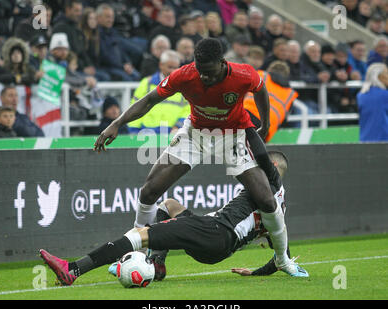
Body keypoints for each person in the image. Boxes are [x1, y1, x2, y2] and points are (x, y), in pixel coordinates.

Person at [94, 38, 294, 278]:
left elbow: (261, 89)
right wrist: (116, 123)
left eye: (209, 73)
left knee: (265, 197)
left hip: (232, 135)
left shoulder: (243, 74)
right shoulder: (185, 75)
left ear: (222, 63)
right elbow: (149, 100)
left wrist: (265, 124)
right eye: (201, 72)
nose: (204, 78)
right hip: (196, 133)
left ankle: (283, 259)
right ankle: (138, 257)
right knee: (149, 191)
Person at [40, 147, 309, 286]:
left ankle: (73, 269)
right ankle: (157, 263)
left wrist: (242, 129)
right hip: (217, 245)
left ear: (271, 168)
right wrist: (256, 273)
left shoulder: (268, 184)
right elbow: (280, 253)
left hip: (214, 230)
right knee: (169, 204)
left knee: (139, 235)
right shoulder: (277, 206)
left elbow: (256, 153)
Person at [127, 50, 190, 134]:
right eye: (170, 67)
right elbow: (135, 107)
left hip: (172, 133)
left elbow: (188, 109)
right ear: (161, 65)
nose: (173, 71)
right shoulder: (146, 83)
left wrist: (178, 126)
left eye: (175, 68)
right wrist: (134, 130)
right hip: (146, 132)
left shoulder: (184, 86)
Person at [243, 61, 298, 142]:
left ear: (269, 69)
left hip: (247, 115)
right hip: (266, 127)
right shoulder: (290, 94)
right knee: (251, 152)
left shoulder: (261, 75)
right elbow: (284, 121)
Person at [356, 63, 388, 142]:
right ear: (379, 77)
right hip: (383, 139)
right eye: (386, 73)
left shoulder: (360, 96)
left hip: (364, 139)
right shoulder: (385, 95)